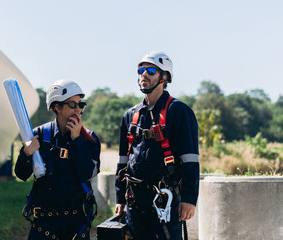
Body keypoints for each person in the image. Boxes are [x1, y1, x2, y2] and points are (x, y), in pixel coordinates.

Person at [114, 51, 199, 240]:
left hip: (165, 201)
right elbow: (122, 162)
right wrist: (120, 198)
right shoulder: (130, 116)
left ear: (164, 77)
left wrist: (189, 199)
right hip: (135, 203)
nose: (144, 74)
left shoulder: (178, 111)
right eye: (141, 70)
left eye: (150, 70)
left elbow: (190, 160)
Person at [16, 79, 101, 240]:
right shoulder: (38, 134)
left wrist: (76, 141)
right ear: (57, 107)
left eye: (80, 105)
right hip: (44, 224)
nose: (78, 110)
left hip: (76, 223)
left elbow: (87, 174)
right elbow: (21, 174)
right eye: (72, 105)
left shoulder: (90, 138)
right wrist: (26, 154)